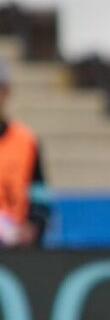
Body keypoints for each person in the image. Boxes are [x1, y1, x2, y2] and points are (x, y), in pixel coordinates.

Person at [0, 58, 50, 247]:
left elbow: (40, 192)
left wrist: (33, 226)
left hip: (16, 241)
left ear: (6, 92)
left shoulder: (26, 140)